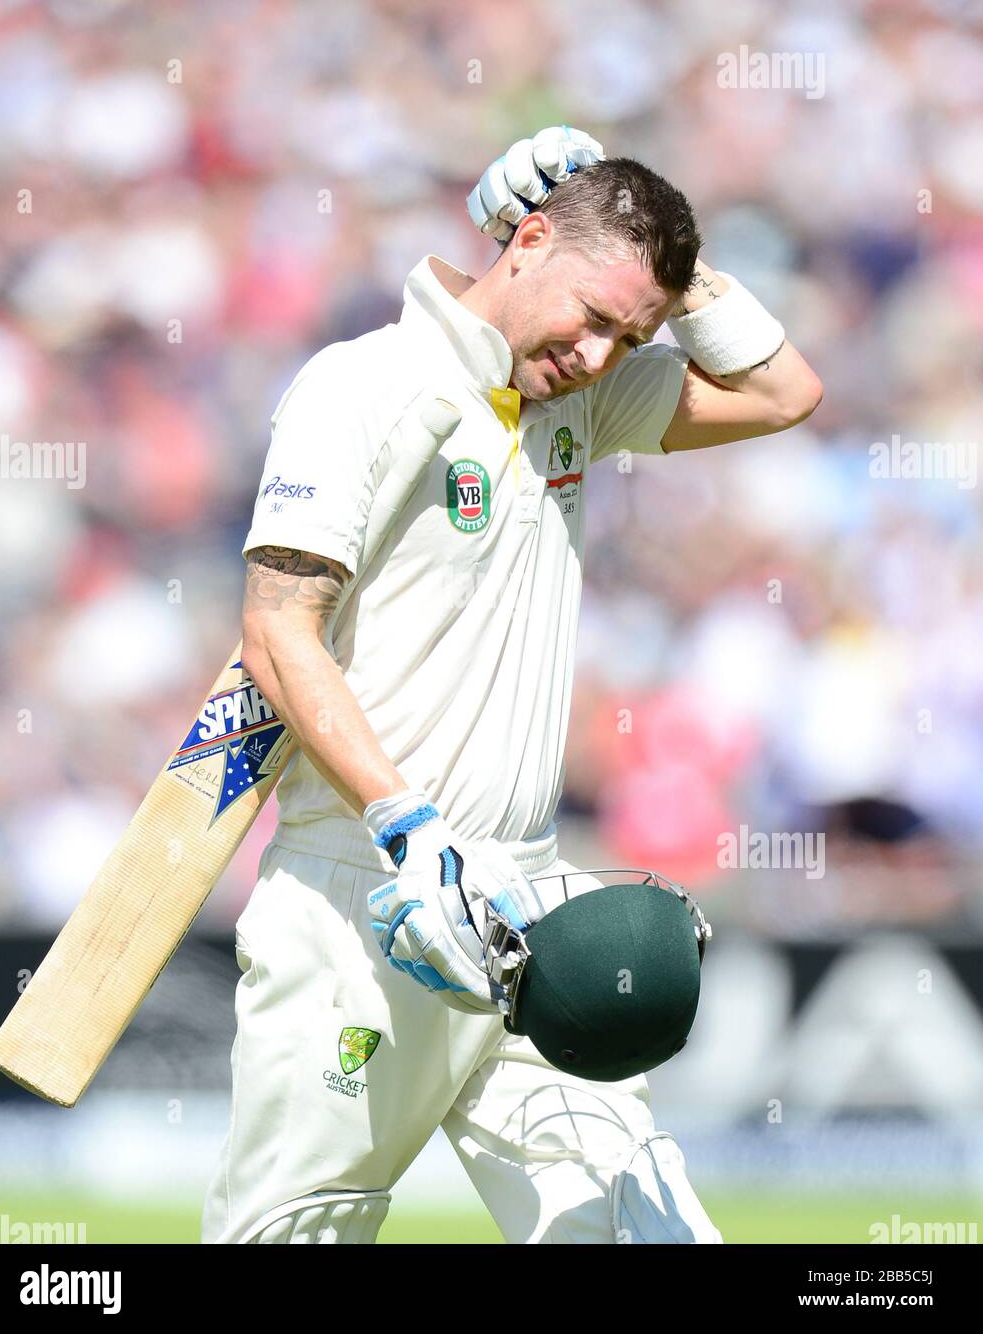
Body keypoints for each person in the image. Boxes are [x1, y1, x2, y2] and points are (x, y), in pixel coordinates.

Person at [201, 128, 822, 1244]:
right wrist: (408, 825)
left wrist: (676, 281)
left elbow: (782, 392)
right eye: (589, 317)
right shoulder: (364, 385)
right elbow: (273, 632)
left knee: (646, 1230)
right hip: (366, 901)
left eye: (624, 335)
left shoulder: (579, 398)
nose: (594, 355)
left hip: (533, 906)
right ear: (524, 240)